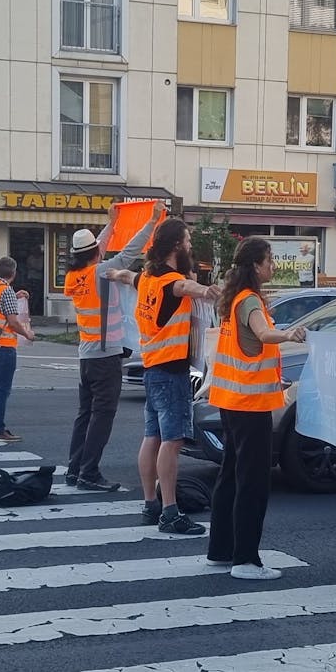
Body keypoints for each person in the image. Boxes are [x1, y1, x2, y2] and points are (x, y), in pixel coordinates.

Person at [205, 237, 307, 580]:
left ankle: (220, 550)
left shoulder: (235, 299)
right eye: (269, 260)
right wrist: (290, 334)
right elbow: (263, 335)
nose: (273, 266)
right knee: (253, 482)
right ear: (255, 265)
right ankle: (246, 560)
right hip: (250, 405)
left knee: (231, 476)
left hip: (231, 402)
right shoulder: (249, 302)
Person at [62, 210, 159, 493]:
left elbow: (98, 248)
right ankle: (89, 472)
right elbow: (129, 253)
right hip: (106, 356)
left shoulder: (74, 275)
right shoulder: (103, 272)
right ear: (94, 253)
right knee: (102, 416)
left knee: (85, 414)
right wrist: (151, 222)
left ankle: (75, 469)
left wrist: (113, 223)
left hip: (87, 356)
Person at [134, 217, 220, 536]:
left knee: (152, 437)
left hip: (152, 368)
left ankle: (150, 505)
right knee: (172, 441)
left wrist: (114, 273)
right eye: (186, 241)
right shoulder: (171, 280)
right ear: (175, 246)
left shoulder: (147, 278)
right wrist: (206, 290)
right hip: (171, 372)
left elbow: (128, 276)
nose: (189, 246)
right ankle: (170, 512)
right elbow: (184, 287)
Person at [0, 256, 36, 442]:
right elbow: (12, 321)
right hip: (4, 347)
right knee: (2, 390)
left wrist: (16, 295)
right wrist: (27, 334)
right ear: (14, 273)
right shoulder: (7, 291)